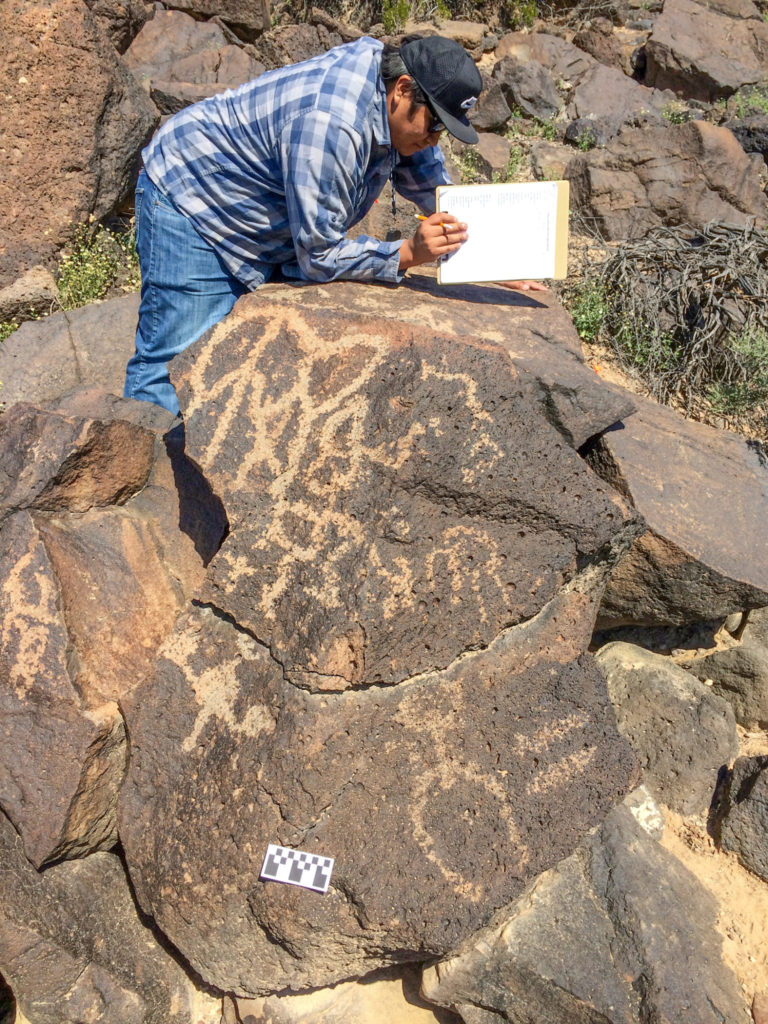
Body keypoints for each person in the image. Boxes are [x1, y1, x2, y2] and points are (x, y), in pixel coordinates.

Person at [123, 33, 544, 415]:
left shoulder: (397, 102)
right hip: (199, 199)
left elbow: (432, 185)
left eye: (445, 130)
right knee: (174, 367)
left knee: (227, 373)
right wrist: (407, 254)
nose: (435, 139)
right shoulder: (333, 123)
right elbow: (319, 257)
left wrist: (488, 254)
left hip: (264, 217)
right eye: (434, 123)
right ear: (402, 91)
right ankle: (143, 490)